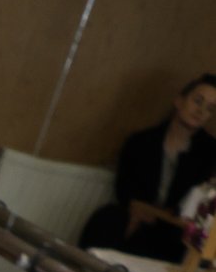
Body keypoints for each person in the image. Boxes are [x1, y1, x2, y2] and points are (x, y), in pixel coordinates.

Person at [80, 77, 216, 262]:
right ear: (179, 101)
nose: (200, 111)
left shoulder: (209, 152)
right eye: (198, 101)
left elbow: (201, 199)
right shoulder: (141, 141)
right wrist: (138, 207)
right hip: (138, 216)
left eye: (209, 108)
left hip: (176, 226)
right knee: (108, 219)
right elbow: (124, 189)